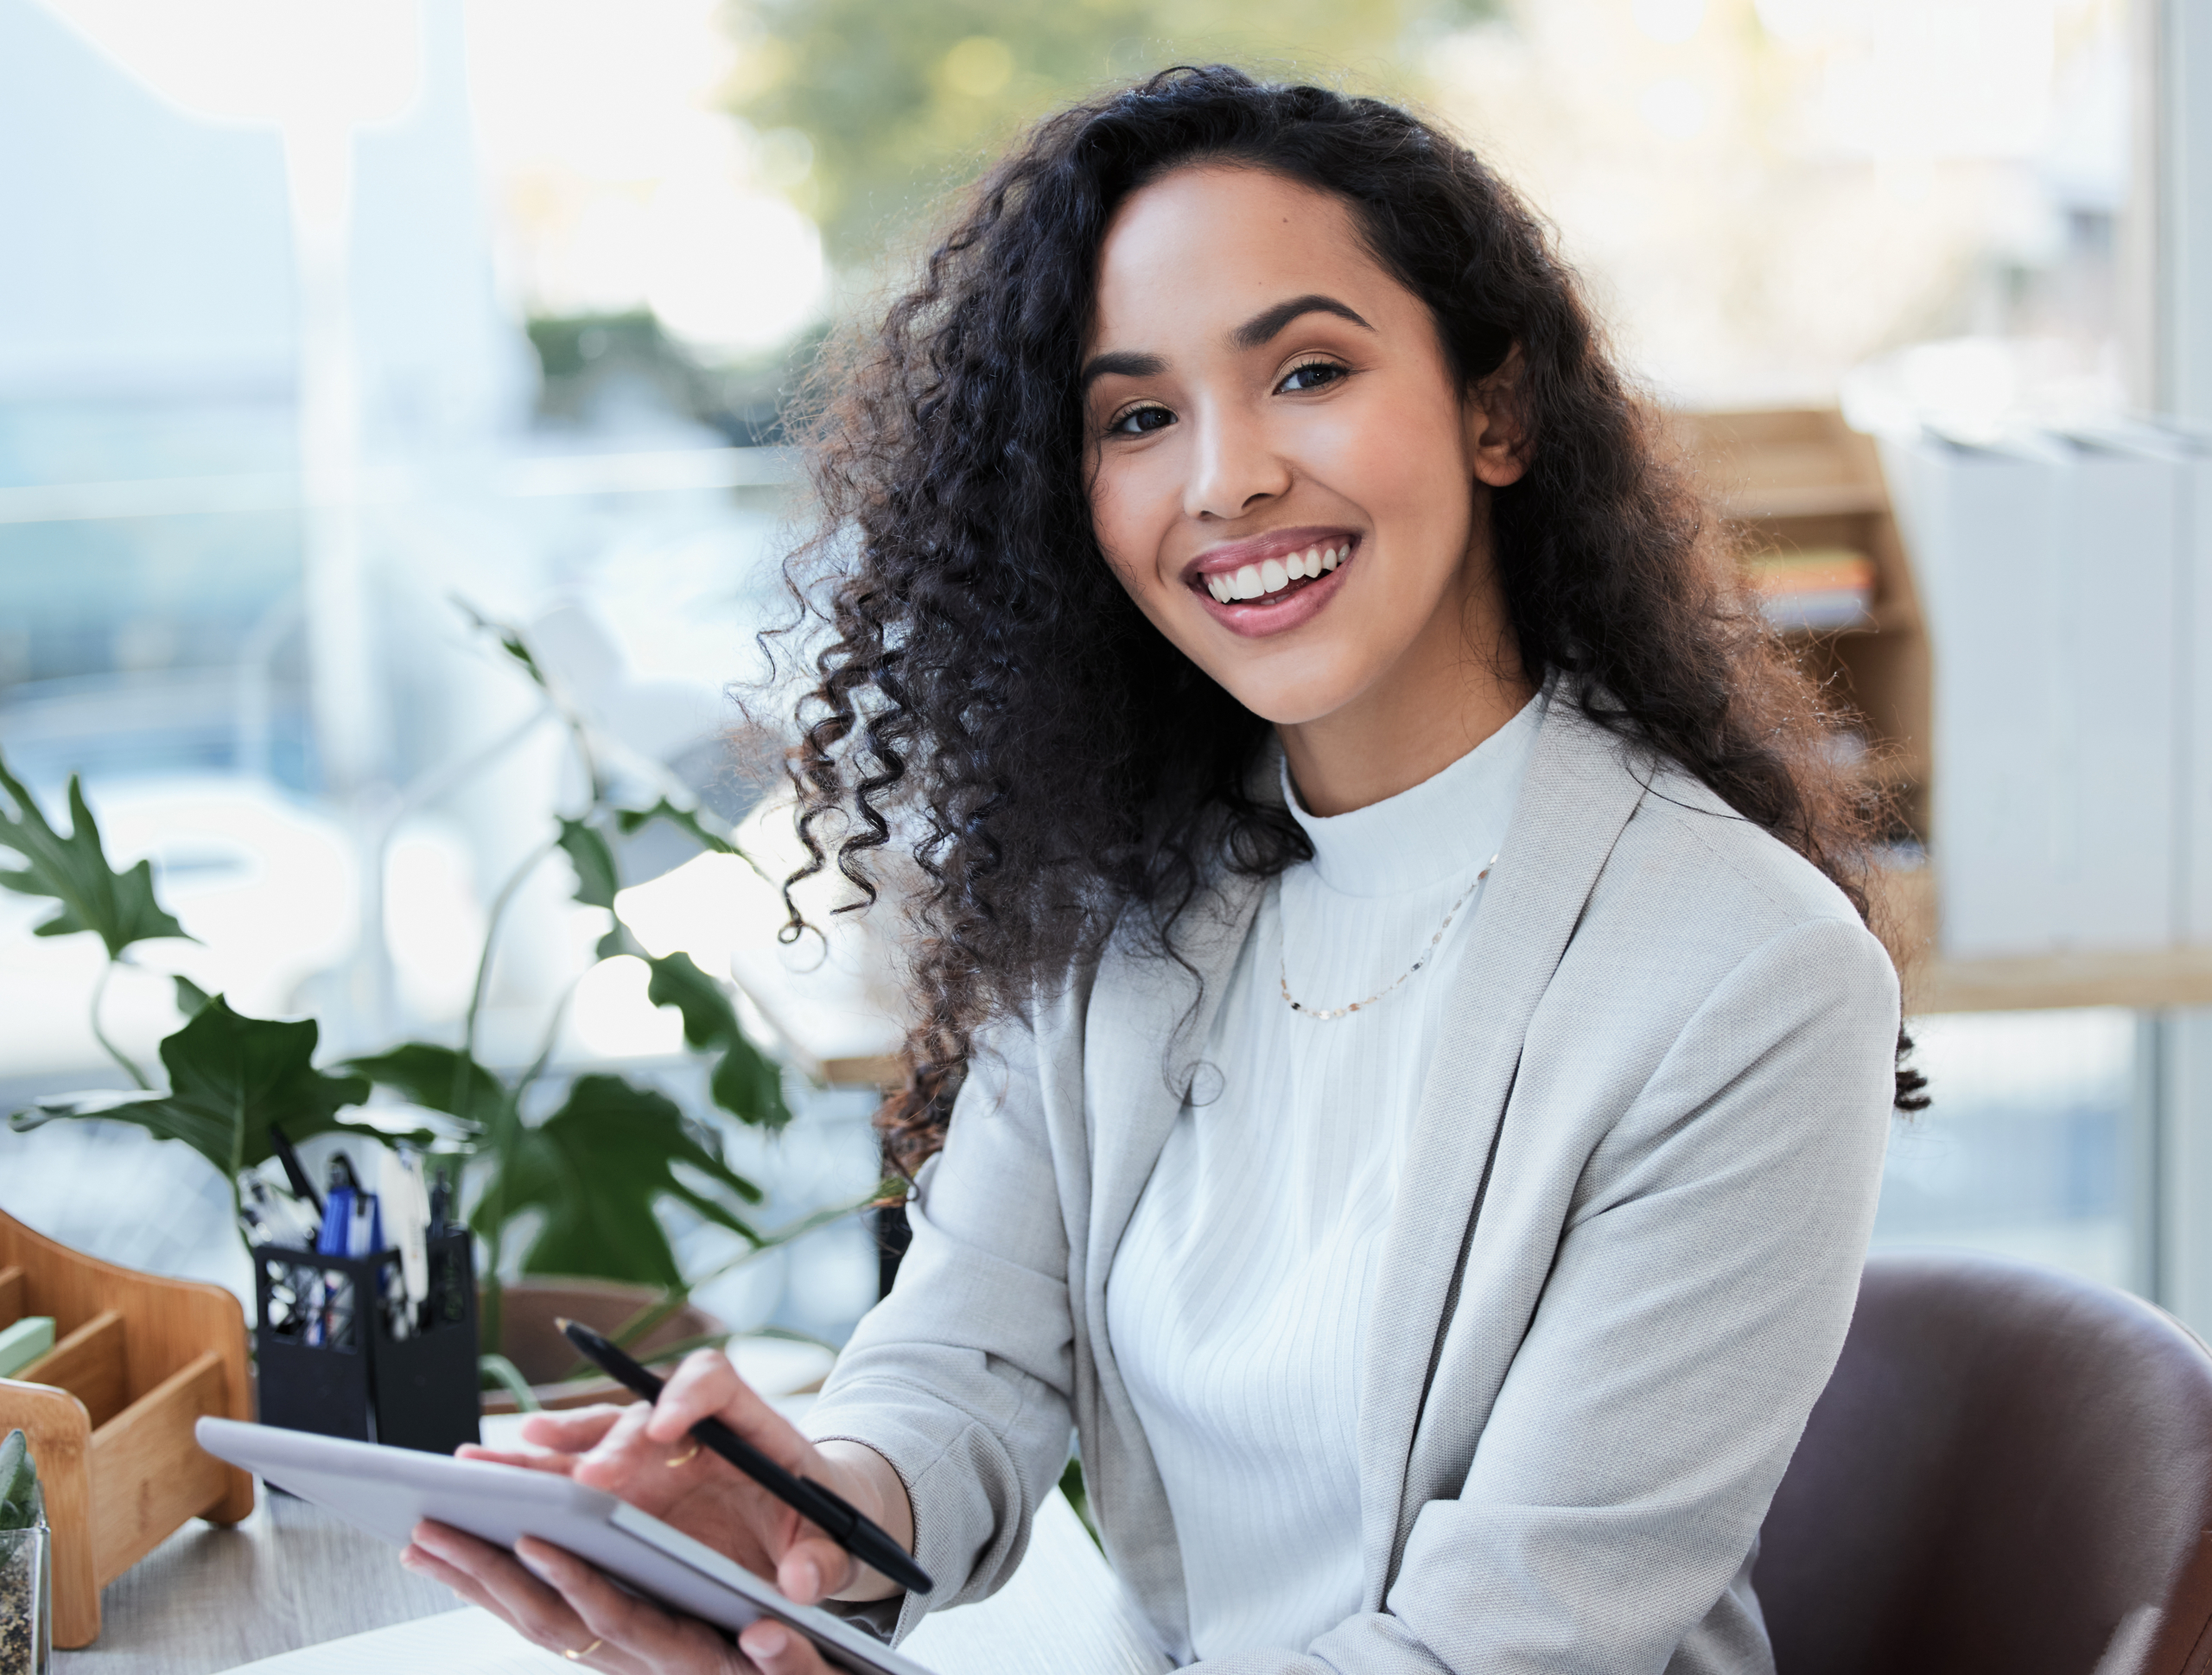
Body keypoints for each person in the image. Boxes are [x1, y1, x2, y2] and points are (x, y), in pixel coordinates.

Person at [401, 65, 1918, 1674]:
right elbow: (965, 1357)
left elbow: (1505, 1641)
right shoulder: (1123, 899)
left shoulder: (1745, 973)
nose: (1225, 478)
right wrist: (808, 1514)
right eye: (1137, 417)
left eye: (1310, 370)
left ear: (1499, 409)